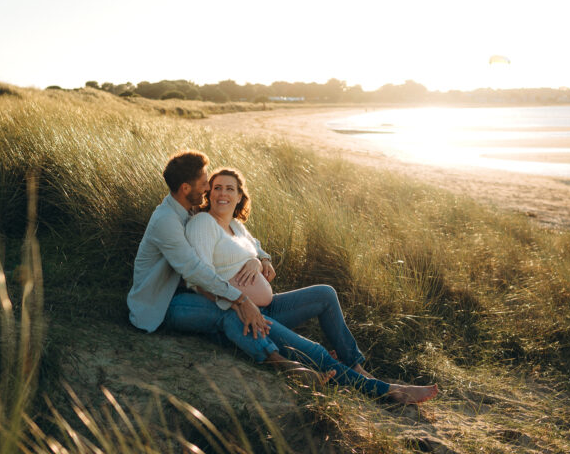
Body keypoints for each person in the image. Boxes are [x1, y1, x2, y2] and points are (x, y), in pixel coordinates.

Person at [184, 167, 438, 405]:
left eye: (230, 188)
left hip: (267, 307)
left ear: (240, 196)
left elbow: (256, 247)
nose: (223, 193)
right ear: (209, 193)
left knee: (325, 294)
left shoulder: (237, 226)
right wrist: (240, 303)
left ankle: (356, 365)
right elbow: (200, 277)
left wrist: (261, 260)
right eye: (217, 188)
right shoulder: (203, 223)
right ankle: (386, 391)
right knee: (314, 351)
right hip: (244, 314)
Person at [127, 150, 327, 383]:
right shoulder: (167, 221)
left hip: (189, 295)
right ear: (185, 188)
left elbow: (243, 235)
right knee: (228, 311)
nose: (207, 189)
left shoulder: (189, 208)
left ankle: (293, 353)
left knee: (230, 312)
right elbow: (195, 271)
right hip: (162, 303)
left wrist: (261, 258)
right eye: (204, 183)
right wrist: (240, 299)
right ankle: (280, 362)